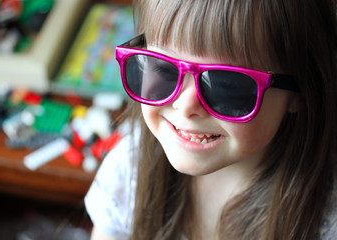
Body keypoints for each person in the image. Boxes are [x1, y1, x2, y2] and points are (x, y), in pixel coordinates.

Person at [85, 0, 337, 239]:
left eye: (226, 85)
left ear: (302, 92)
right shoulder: (129, 169)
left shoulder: (326, 221)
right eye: (163, 69)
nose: (185, 106)